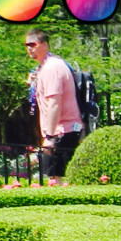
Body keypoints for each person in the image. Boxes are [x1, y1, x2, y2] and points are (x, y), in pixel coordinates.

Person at [25, 29, 82, 185]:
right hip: (60, 131)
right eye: (26, 45)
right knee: (55, 178)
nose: (29, 48)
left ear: (45, 44)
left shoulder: (52, 68)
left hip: (62, 131)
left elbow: (54, 103)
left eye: (33, 44)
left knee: (57, 180)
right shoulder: (46, 66)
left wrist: (50, 137)